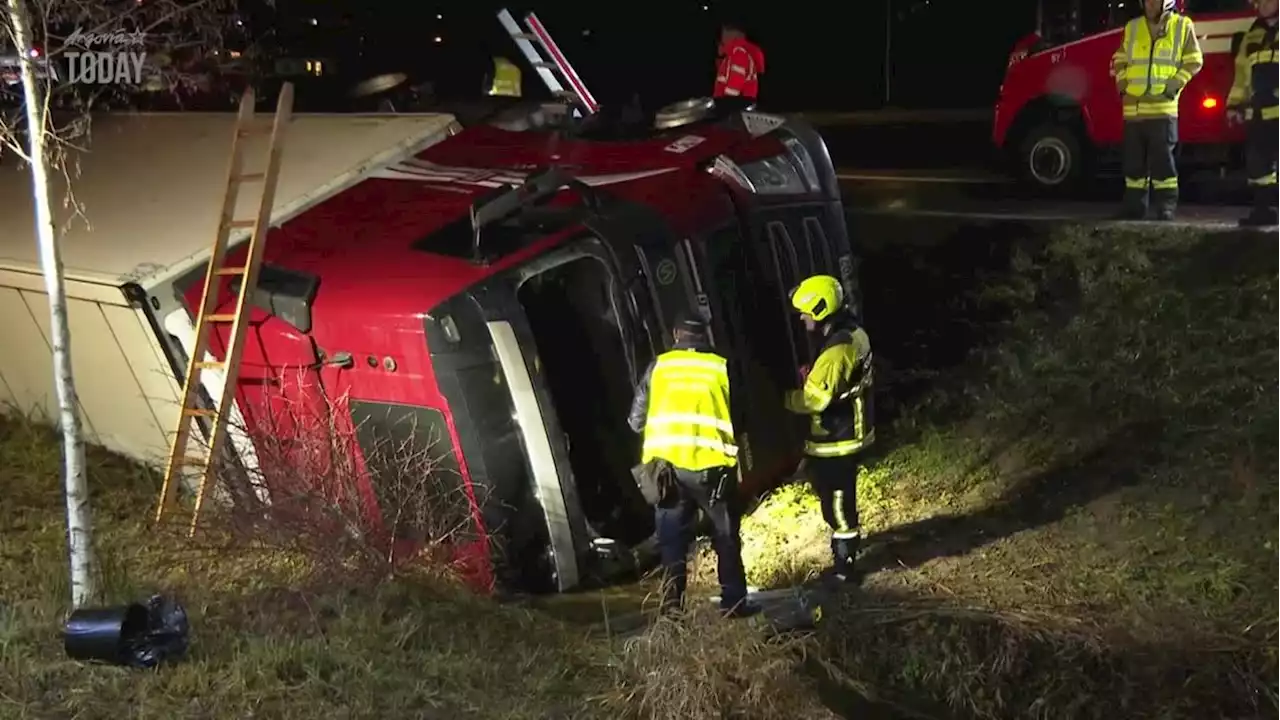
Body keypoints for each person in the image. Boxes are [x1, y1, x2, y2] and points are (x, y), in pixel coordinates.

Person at [628, 317, 757, 618]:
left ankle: (673, 611)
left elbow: (635, 422)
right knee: (725, 538)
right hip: (712, 472)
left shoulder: (658, 367)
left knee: (672, 544)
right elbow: (740, 414)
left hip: (668, 473)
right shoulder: (721, 367)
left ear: (675, 335)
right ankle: (734, 604)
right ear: (704, 335)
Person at [785, 275, 874, 586]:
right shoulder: (849, 332)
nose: (801, 317)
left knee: (837, 502)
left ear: (821, 310)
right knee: (838, 496)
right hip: (847, 430)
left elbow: (814, 400)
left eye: (805, 312)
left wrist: (785, 399)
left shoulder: (837, 347)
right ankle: (845, 552)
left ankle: (844, 566)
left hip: (839, 437)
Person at [1110, 0, 1202, 221]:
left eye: (1154, 0)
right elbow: (1119, 60)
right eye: (1146, 0)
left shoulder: (1182, 25)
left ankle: (1166, 206)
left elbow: (1194, 60)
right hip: (1133, 109)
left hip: (1163, 108)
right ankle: (1135, 206)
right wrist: (1123, 86)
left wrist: (1173, 86)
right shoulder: (1132, 27)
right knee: (1133, 164)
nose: (1149, 4)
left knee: (1163, 164)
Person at [1229, 0, 1280, 227]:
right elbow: (1241, 76)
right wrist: (1233, 105)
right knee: (1258, 166)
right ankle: (1263, 212)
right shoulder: (1252, 34)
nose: (1263, 4)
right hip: (1258, 111)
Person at [713, 24, 765, 110]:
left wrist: (726, 105)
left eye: (725, 33)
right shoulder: (732, 54)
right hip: (735, 101)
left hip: (737, 103)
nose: (722, 37)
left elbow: (736, 80)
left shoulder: (738, 52)